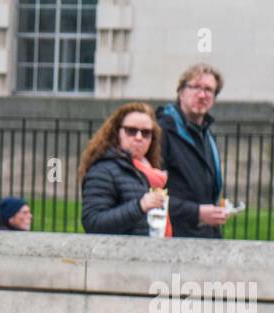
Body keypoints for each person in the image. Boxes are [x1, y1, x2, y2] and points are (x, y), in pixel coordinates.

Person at [156, 64, 229, 239]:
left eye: (209, 90)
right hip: (173, 238)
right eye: (195, 87)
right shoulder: (162, 131)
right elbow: (150, 194)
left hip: (205, 236)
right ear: (181, 92)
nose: (202, 95)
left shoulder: (206, 135)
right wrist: (197, 212)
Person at [80, 102, 170, 236]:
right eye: (131, 131)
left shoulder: (153, 172)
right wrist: (139, 206)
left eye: (146, 133)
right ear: (117, 133)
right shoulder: (103, 171)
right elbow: (93, 223)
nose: (139, 137)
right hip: (117, 255)